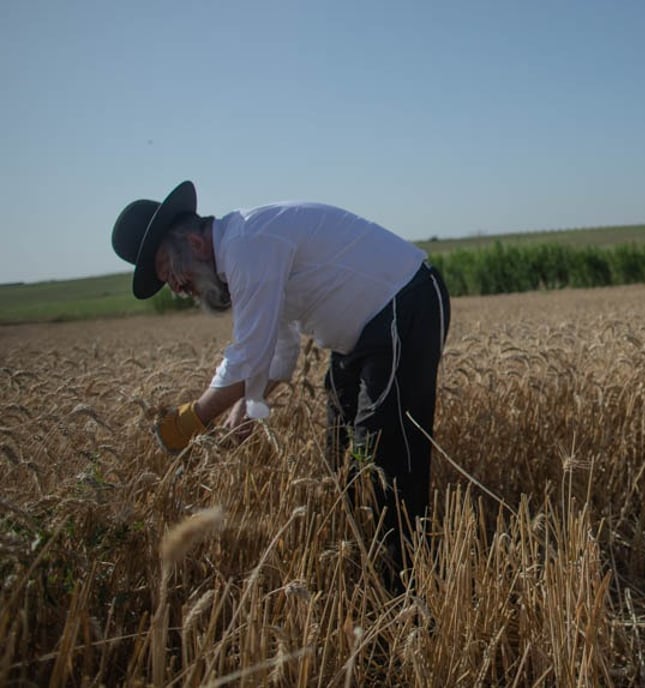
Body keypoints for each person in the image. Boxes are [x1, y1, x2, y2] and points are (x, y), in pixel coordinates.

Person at [111, 180, 450, 581]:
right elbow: (278, 349)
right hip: (359, 338)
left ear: (195, 244)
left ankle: (406, 587)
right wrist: (248, 406)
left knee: (384, 457)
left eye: (171, 272)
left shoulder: (247, 245)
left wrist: (189, 421)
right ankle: (365, 567)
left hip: (404, 305)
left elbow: (248, 355)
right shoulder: (245, 253)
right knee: (340, 456)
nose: (177, 289)